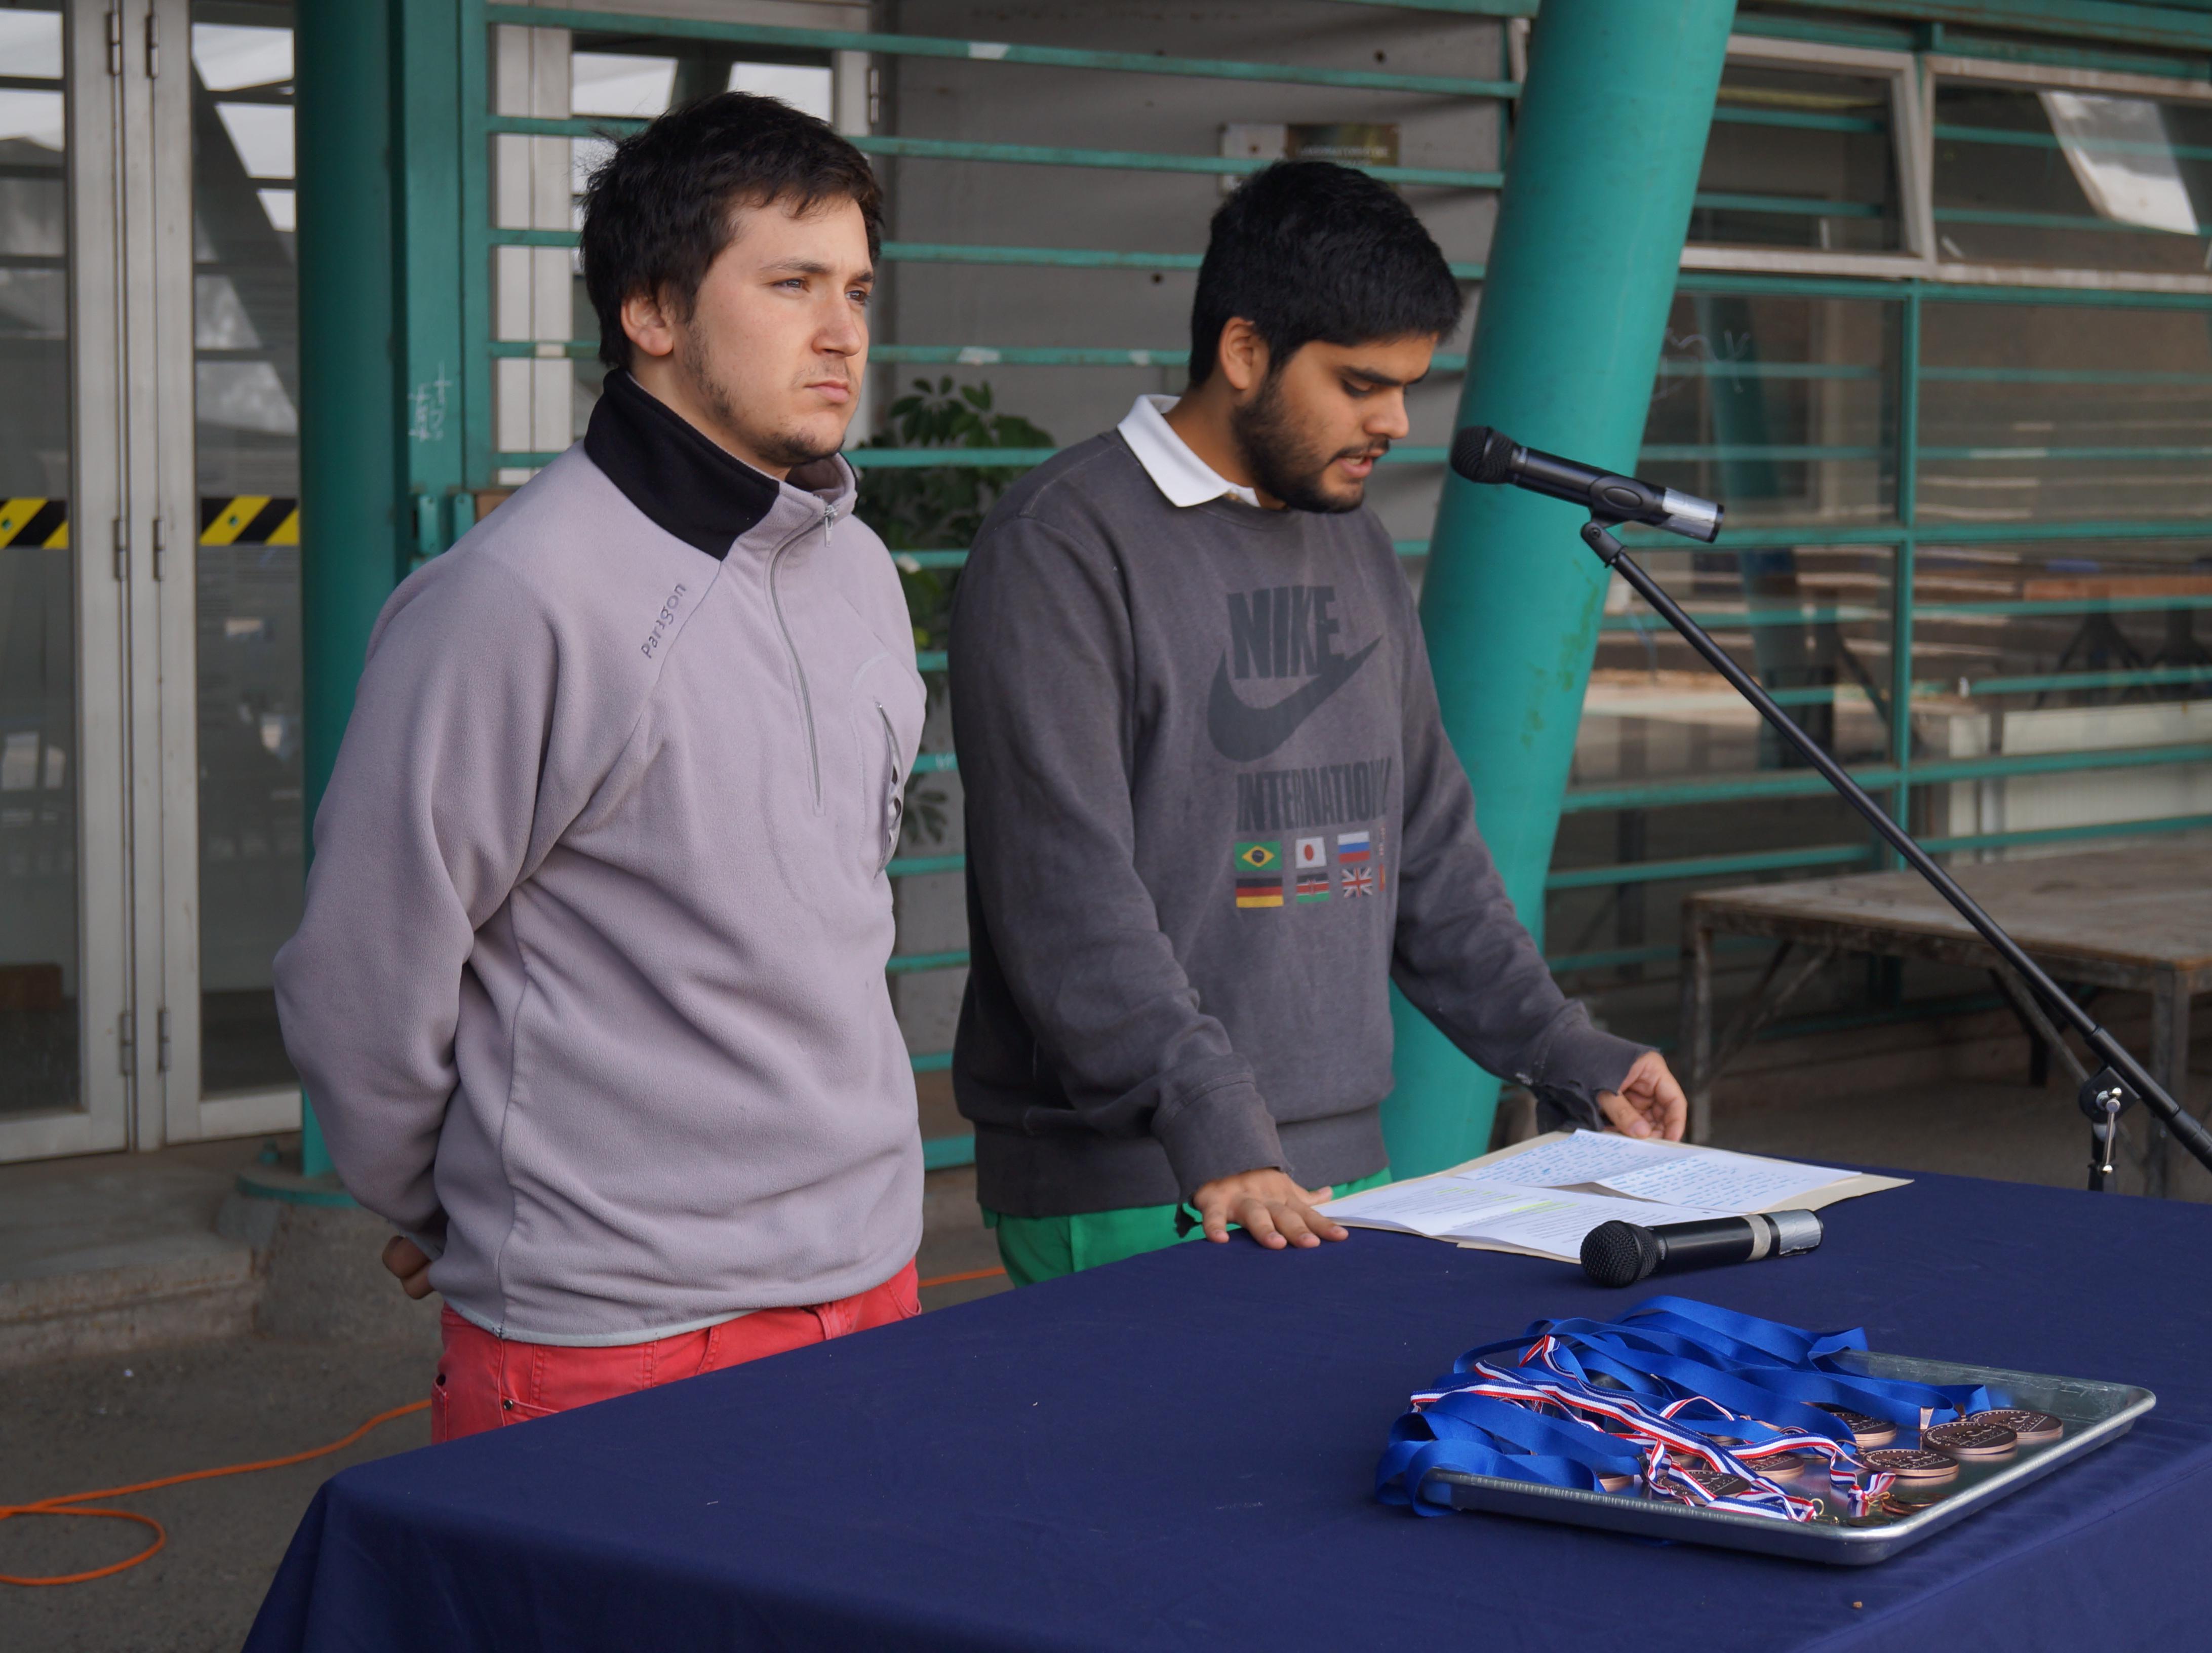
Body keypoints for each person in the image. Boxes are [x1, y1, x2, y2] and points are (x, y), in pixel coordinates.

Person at [274, 94, 925, 1441]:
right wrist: (455, 1205)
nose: (842, 331)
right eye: (791, 283)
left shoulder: (857, 567)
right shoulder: (517, 598)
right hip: (614, 1330)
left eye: (857, 288)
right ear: (653, 311)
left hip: (871, 1280)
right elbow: (362, 974)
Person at [948, 161, 1685, 1287]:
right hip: (1148, 1183)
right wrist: (1210, 1121)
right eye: (1357, 384)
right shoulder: (1062, 546)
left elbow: (1427, 855)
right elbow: (1065, 897)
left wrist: (1560, 1046)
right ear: (1244, 352)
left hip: (1345, 1173)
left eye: (1403, 385)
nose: (1393, 420)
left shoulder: (1355, 545)